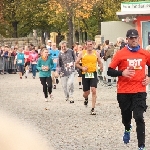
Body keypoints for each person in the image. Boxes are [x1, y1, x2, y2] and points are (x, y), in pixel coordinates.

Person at [107, 29, 150, 150]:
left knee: (139, 117)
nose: (134, 40)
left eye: (136, 37)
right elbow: (109, 71)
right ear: (127, 40)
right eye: (131, 38)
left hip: (139, 90)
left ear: (138, 38)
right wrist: (122, 72)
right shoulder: (120, 54)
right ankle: (127, 128)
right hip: (124, 91)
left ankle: (141, 146)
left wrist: (149, 78)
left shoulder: (145, 53)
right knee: (126, 117)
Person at [75, 40, 103, 115]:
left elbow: (100, 62)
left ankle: (93, 109)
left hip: (93, 73)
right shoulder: (82, 53)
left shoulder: (96, 53)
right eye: (88, 44)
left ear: (93, 45)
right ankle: (86, 98)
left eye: (91, 44)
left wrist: (101, 68)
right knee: (86, 93)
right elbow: (76, 64)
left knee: (94, 90)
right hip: (85, 74)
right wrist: (82, 68)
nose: (90, 46)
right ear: (86, 45)